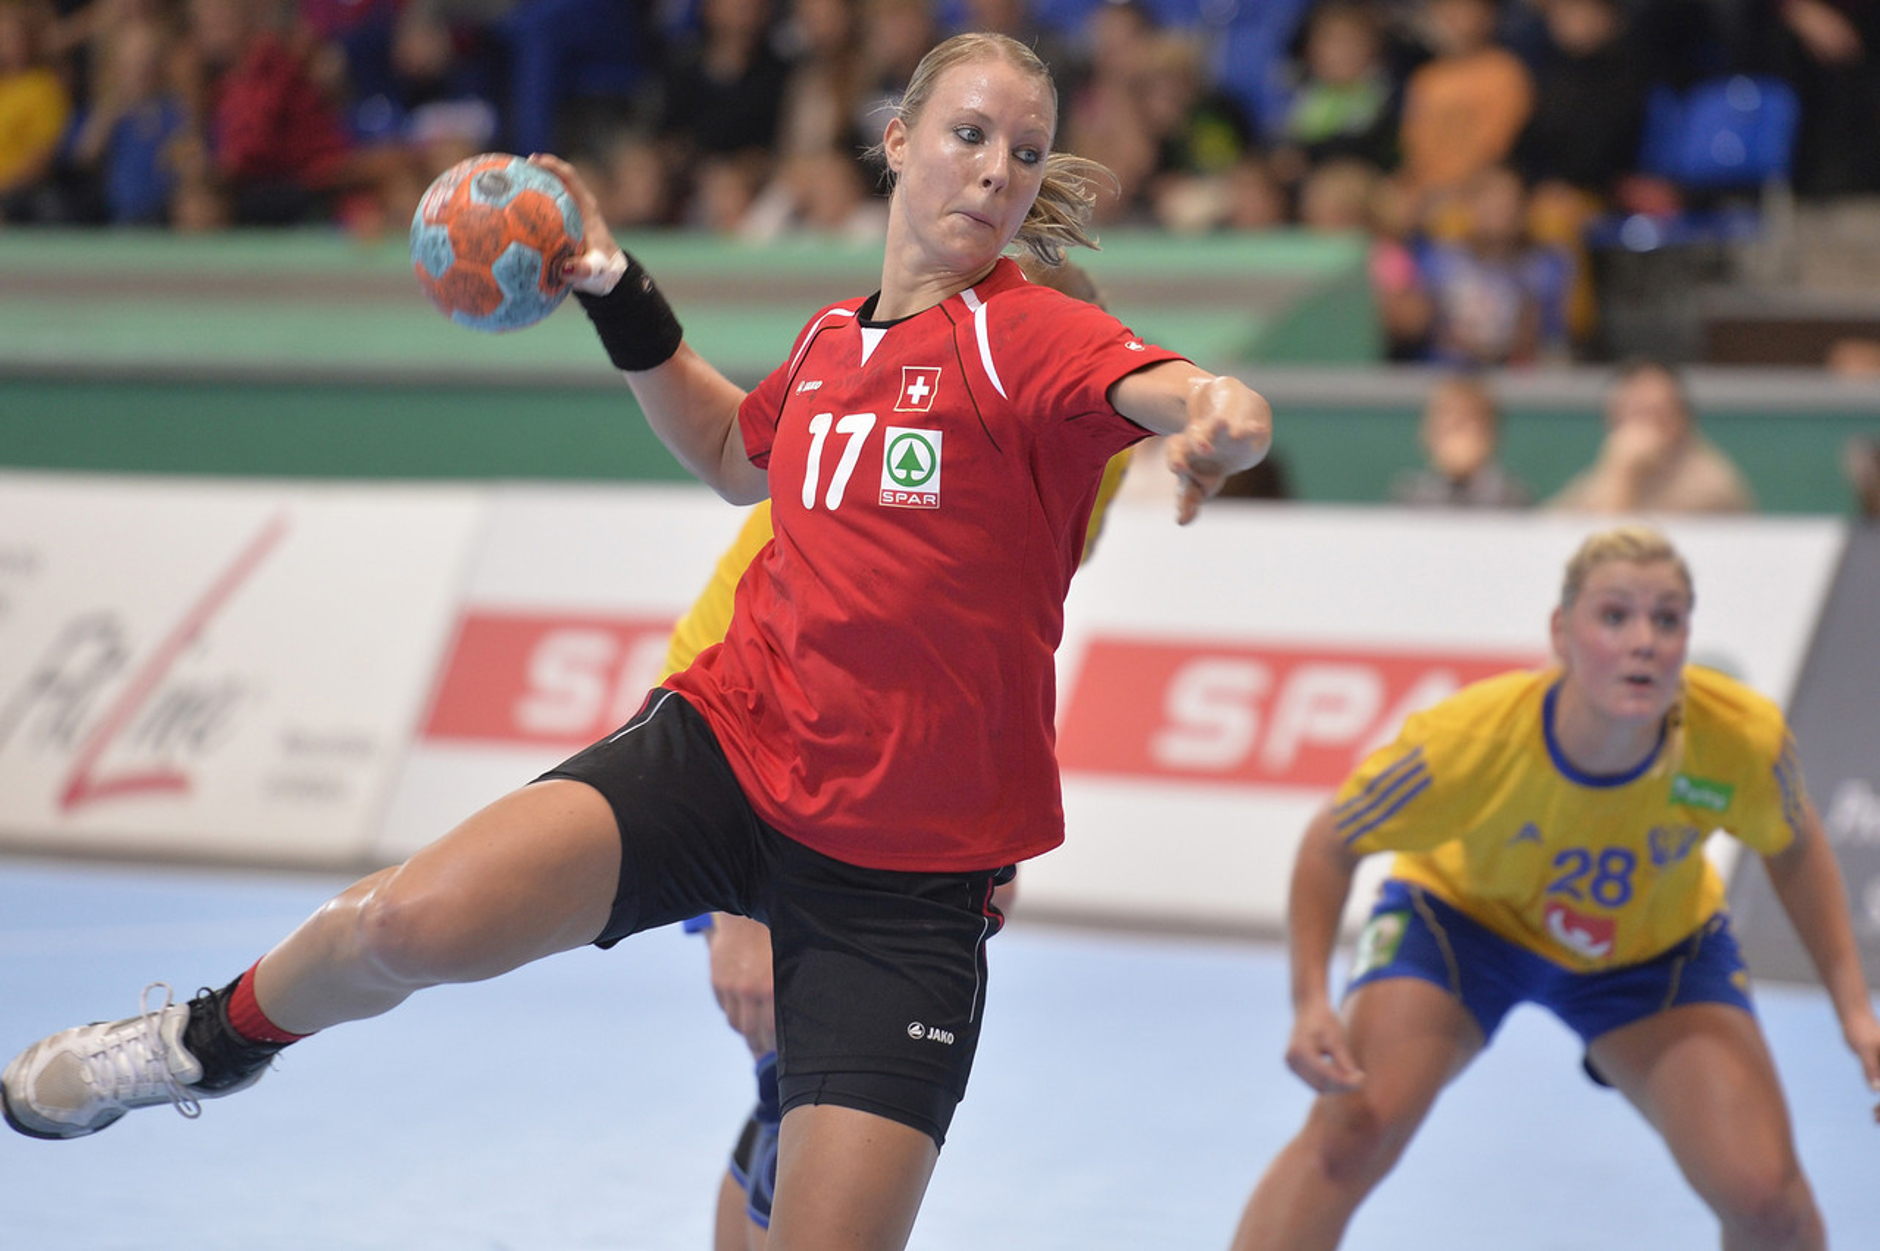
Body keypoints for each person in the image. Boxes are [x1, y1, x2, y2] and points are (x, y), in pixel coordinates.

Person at [0, 32, 1272, 1251]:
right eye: (969, 135)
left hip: (903, 880)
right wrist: (612, 281)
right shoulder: (832, 344)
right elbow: (727, 451)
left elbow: (1189, 390)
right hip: (730, 756)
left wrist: (1221, 415)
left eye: (1025, 153)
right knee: (406, 923)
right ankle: (202, 1044)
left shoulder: (1027, 332)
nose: (996, 171)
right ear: (897, 141)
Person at [1228, 525, 1880, 1251]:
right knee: (1350, 1135)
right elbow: (1331, 842)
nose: (1644, 641)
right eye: (1615, 616)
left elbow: (1794, 847)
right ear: (1561, 633)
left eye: (1667, 619)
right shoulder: (1468, 740)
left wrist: (1856, 1013)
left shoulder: (1739, 738)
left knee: (1769, 1204)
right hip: (1462, 926)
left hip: (1652, 957)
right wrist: (1310, 999)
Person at [674, 255, 1137, 1251]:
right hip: (747, 750)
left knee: (796, 1103)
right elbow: (722, 677)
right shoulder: (890, 443)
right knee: (791, 1098)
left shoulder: (1101, 445)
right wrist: (734, 913)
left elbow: (996, 625)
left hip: (893, 794)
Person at [1547, 358, 1755, 513]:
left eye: (1652, 415)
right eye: (1628, 416)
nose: (1635, 432)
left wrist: (1623, 475)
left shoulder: (1708, 486)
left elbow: (1615, 548)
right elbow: (1549, 531)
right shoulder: (1607, 471)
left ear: (1681, 419)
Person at [1389, 371, 1529, 507]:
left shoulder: (1511, 496)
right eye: (1444, 425)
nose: (1455, 438)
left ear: (1490, 434)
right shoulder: (1409, 495)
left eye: (1462, 424)